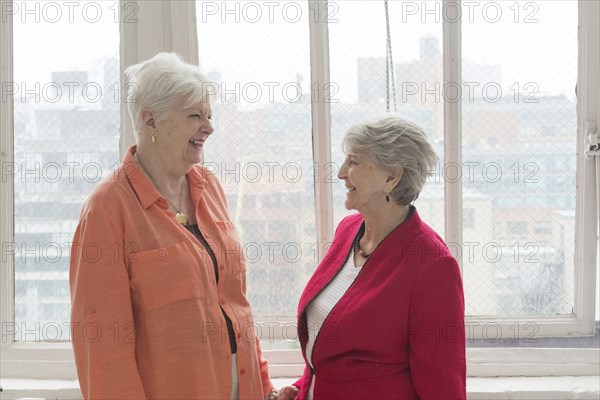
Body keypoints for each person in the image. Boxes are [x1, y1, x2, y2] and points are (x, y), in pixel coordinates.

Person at [69, 52, 276, 400]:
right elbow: (103, 349)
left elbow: (234, 304)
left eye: (209, 115)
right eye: (195, 115)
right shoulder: (108, 207)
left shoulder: (209, 186)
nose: (209, 127)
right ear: (151, 121)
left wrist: (265, 386)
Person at [278, 116, 466, 399]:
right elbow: (334, 345)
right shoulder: (348, 230)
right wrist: (301, 387)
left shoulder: (433, 266)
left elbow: (443, 387)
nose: (341, 173)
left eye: (353, 162)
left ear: (391, 177)